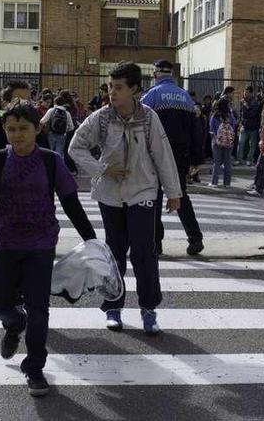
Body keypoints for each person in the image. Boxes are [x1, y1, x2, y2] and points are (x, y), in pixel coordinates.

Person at [0, 100, 96, 397]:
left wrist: (91, 240)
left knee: (39, 310)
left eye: (24, 129)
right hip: (5, 245)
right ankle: (15, 324)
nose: (17, 135)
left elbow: (71, 203)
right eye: (11, 129)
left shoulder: (51, 161)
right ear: (4, 130)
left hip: (40, 246)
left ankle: (34, 367)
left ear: (38, 129)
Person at [69, 61, 182, 335]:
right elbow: (76, 147)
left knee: (144, 252)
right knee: (115, 253)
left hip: (143, 191)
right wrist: (102, 169)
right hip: (110, 195)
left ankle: (149, 309)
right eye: (110, 86)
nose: (112, 92)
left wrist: (173, 192)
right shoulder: (101, 118)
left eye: (118, 87)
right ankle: (113, 307)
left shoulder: (149, 118)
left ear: (134, 89)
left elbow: (162, 156)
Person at [140, 59, 204, 256]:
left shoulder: (152, 95)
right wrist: (196, 159)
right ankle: (195, 239)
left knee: (155, 196)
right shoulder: (185, 97)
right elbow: (196, 130)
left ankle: (156, 243)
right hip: (180, 154)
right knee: (180, 194)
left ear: (156, 73)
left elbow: (140, 124)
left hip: (156, 153)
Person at [208, 98, 236, 188]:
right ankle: (227, 183)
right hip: (228, 142)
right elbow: (234, 126)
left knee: (217, 162)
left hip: (217, 141)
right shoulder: (230, 115)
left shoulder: (215, 116)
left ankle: (214, 182)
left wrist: (216, 138)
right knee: (228, 162)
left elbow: (211, 129)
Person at [237, 86, 262, 166]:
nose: (245, 94)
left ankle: (249, 159)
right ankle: (240, 159)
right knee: (241, 143)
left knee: (252, 144)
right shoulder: (242, 101)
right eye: (244, 92)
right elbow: (241, 113)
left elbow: (253, 113)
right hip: (244, 125)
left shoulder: (254, 102)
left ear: (251, 93)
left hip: (253, 126)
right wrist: (240, 121)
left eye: (247, 92)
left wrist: (246, 106)